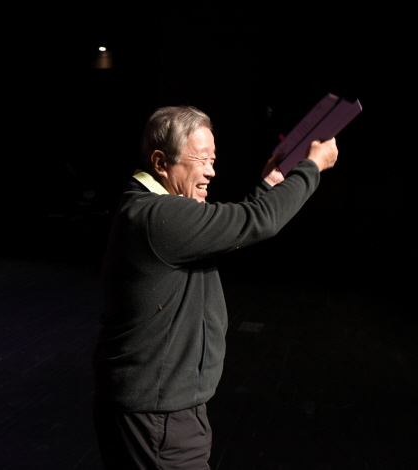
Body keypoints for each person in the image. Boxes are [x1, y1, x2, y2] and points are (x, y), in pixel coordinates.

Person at [93, 106, 338, 469]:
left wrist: (268, 186)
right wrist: (311, 167)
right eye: (202, 159)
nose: (211, 171)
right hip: (157, 417)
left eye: (213, 160)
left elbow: (233, 227)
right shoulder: (158, 216)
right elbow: (258, 221)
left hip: (157, 409)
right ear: (160, 162)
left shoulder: (154, 208)